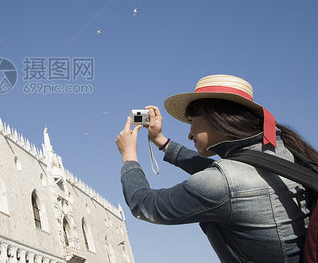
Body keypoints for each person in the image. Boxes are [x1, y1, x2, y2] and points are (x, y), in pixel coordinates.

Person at [116, 74, 317, 262]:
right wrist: (161, 141)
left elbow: (144, 205)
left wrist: (129, 156)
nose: (190, 134)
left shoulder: (224, 182)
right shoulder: (286, 151)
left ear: (214, 117)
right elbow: (224, 174)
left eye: (191, 121)